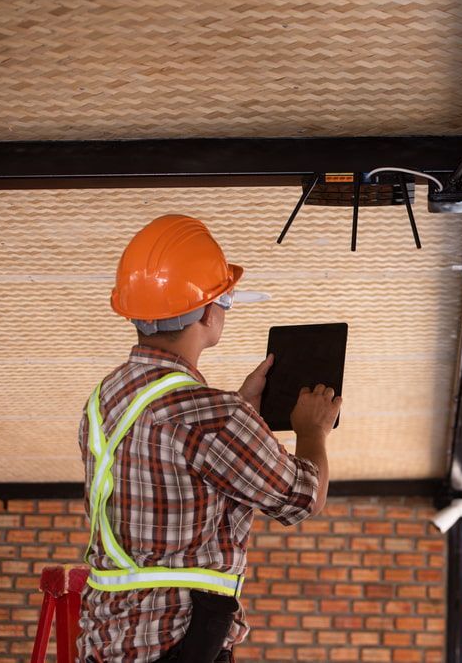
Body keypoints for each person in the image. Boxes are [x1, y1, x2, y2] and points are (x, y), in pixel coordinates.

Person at [77, 214, 342, 662]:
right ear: (203, 310)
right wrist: (313, 430)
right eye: (224, 298)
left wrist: (241, 406)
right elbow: (304, 497)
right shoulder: (214, 417)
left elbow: (169, 465)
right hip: (177, 638)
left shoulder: (105, 397)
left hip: (109, 637)